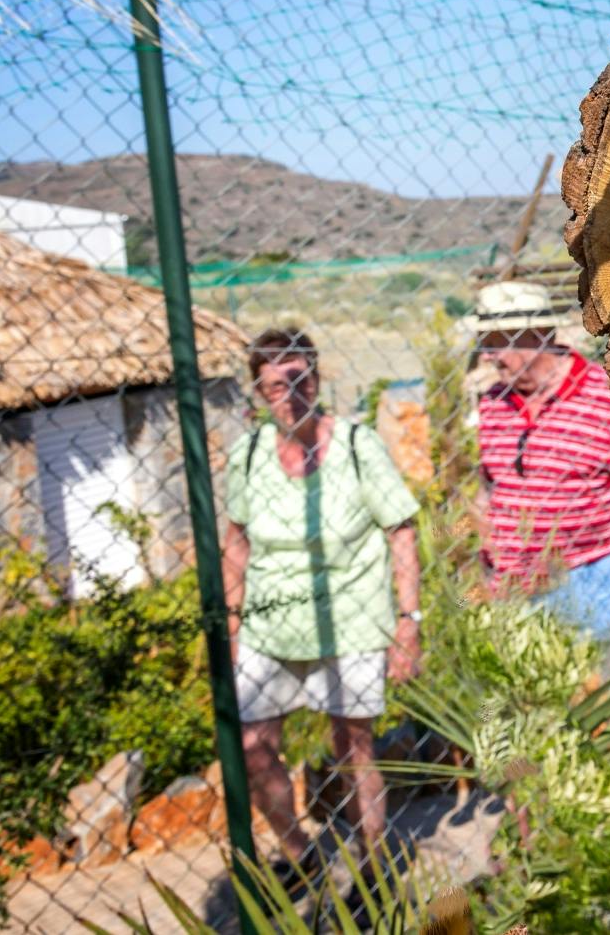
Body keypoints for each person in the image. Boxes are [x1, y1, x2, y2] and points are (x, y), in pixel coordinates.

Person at [221, 328, 422, 872]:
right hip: (270, 624)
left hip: (352, 618)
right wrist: (233, 626)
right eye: (274, 386)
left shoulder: (356, 447)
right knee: (252, 748)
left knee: (353, 748)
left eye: (298, 379)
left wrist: (408, 622)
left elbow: (400, 529)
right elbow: (235, 543)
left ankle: (373, 864)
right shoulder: (248, 455)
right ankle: (300, 854)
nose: (289, 396)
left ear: (316, 378)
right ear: (259, 395)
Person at [466, 282, 610, 638]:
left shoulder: (603, 396)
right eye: (485, 343)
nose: (486, 355)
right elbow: (487, 490)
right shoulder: (493, 402)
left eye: (495, 341)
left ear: (537, 335)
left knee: (605, 688)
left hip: (594, 580)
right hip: (511, 587)